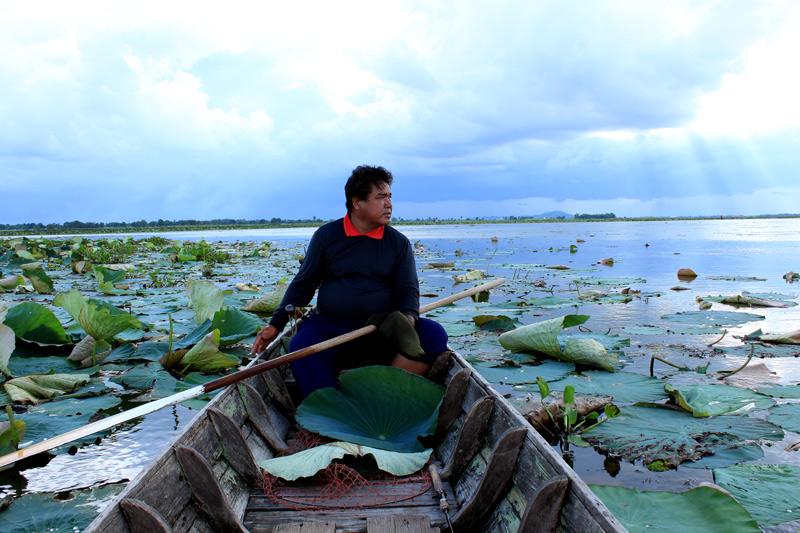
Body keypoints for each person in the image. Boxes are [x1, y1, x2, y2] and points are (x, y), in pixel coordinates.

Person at [251, 165, 449, 398]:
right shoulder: (327, 237)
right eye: (381, 197)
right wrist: (276, 324)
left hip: (382, 329)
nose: (389, 204)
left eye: (390, 197)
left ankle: (382, 393)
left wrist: (407, 319)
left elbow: (408, 290)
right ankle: (328, 411)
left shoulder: (398, 243)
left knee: (434, 334)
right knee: (301, 346)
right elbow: (304, 283)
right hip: (332, 327)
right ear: (357, 203)